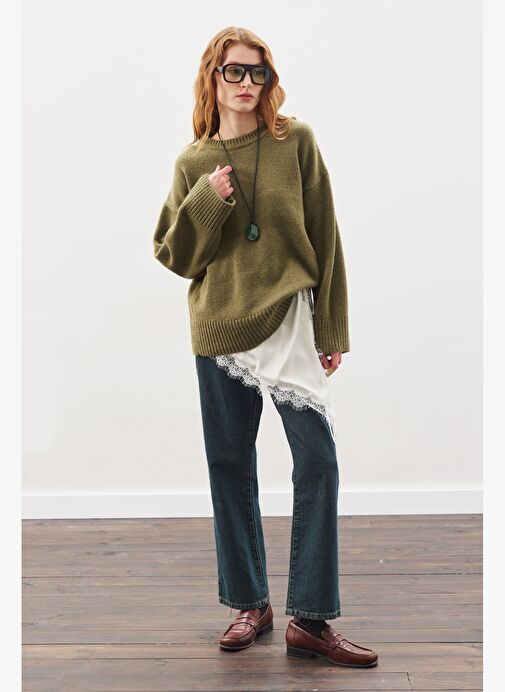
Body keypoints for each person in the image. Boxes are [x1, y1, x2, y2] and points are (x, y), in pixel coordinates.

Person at [152, 26, 378, 668]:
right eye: (234, 71)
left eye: (258, 72)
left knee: (318, 462)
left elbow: (325, 236)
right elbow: (174, 255)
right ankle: (249, 604)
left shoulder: (295, 140)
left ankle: (311, 618)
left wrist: (332, 326)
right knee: (230, 465)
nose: (247, 83)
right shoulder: (194, 163)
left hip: (289, 322)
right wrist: (207, 200)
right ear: (213, 77)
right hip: (220, 328)